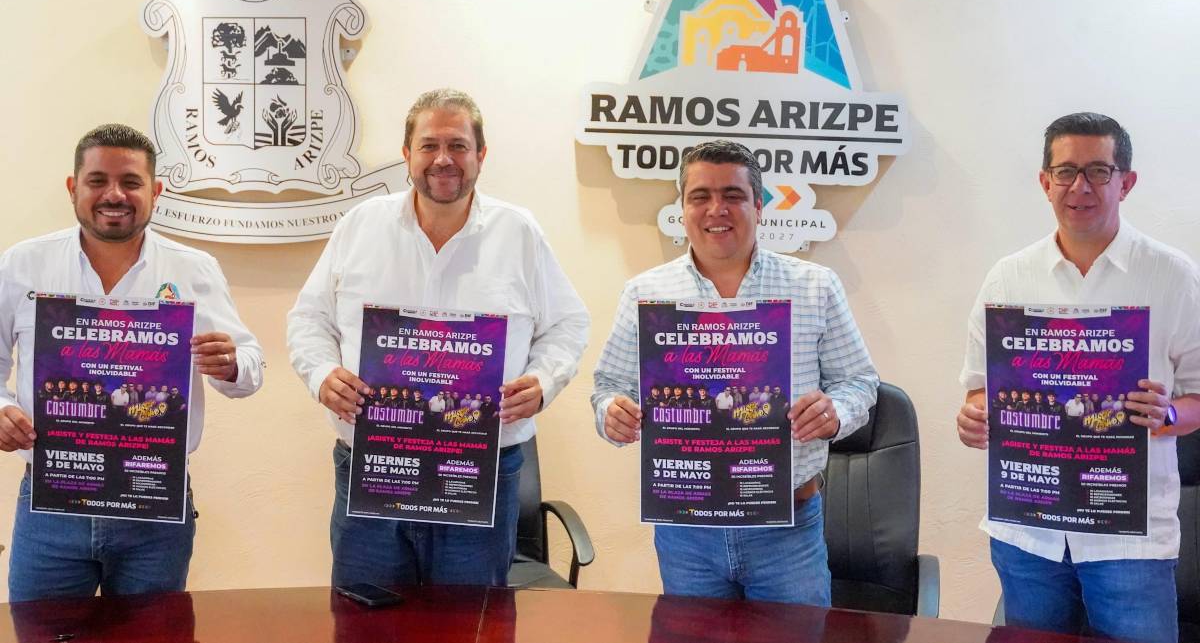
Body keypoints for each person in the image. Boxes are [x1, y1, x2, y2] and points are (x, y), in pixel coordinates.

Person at [287, 88, 589, 588]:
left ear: (481, 155)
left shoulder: (518, 233)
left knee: (470, 620)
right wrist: (321, 374)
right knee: (365, 614)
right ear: (407, 154)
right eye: (429, 145)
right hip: (375, 464)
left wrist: (544, 380)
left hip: (480, 471)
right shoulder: (360, 226)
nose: (443, 159)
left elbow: (568, 323)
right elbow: (309, 319)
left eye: (458, 145)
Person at [591, 140, 878, 604]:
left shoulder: (814, 286)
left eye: (733, 195)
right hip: (686, 530)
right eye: (700, 196)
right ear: (682, 209)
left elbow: (859, 383)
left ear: (759, 207)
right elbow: (609, 387)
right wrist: (612, 413)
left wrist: (836, 413)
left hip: (787, 527)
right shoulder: (646, 293)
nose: (716, 209)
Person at [955, 112, 1200, 643]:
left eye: (1098, 171)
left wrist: (1169, 413)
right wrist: (974, 417)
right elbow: (979, 389)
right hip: (1028, 532)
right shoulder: (1008, 277)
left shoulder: (1172, 275)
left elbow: (1198, 397)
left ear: (1126, 182)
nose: (1080, 186)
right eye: (1065, 171)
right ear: (1045, 182)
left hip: (1129, 539)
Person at [0, 123, 264, 602]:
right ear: (73, 187)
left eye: (131, 182)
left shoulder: (193, 269)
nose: (114, 195)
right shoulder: (22, 264)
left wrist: (230, 364)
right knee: (41, 633)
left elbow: (249, 366)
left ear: (155, 191)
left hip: (154, 507)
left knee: (153, 634)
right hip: (52, 505)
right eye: (97, 180)